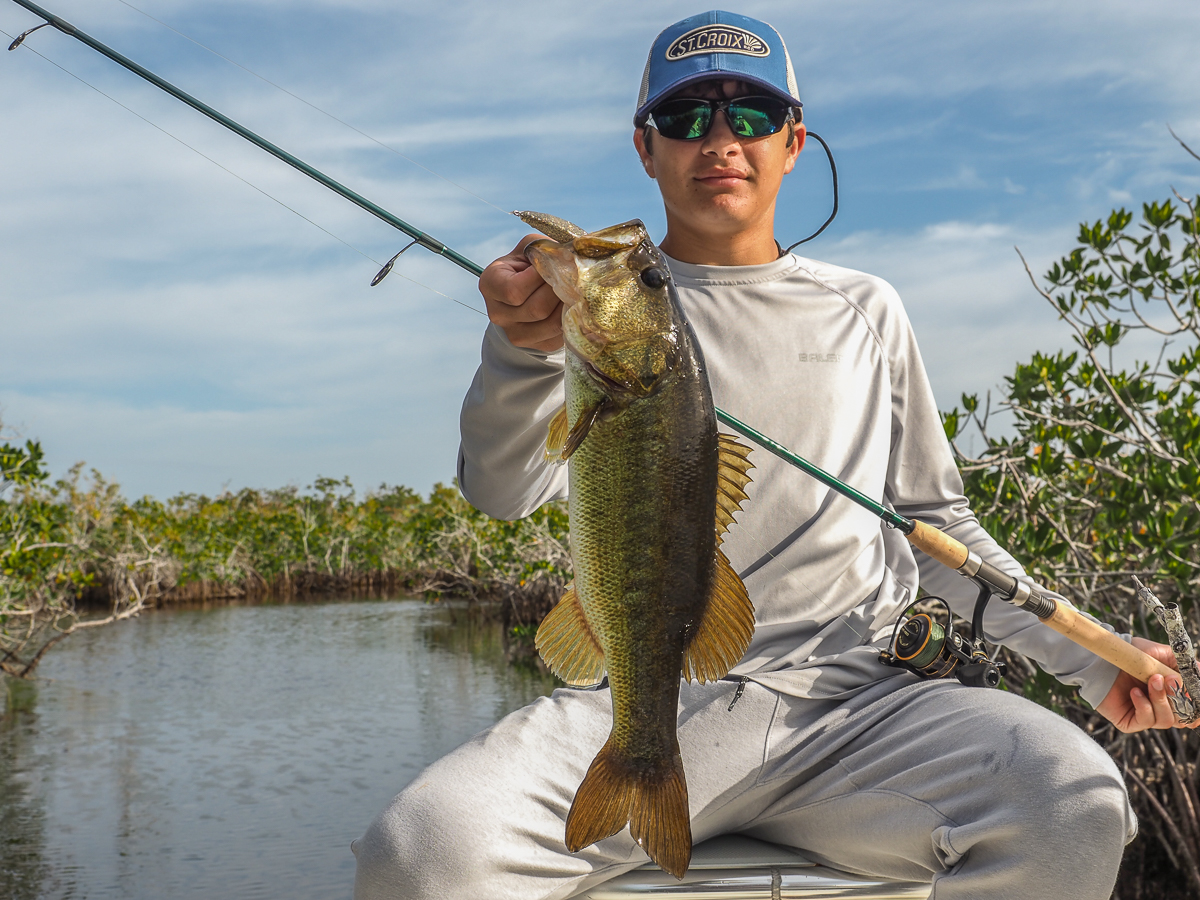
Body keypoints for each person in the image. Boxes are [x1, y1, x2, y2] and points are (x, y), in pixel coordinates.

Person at [352, 11, 1194, 900]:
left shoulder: (867, 309)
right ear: (646, 148)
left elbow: (937, 528)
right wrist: (520, 351)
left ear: (794, 143)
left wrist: (1093, 661)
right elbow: (500, 490)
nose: (720, 140)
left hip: (862, 707)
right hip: (640, 697)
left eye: (750, 116)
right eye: (686, 118)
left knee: (1075, 803)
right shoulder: (577, 316)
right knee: (417, 852)